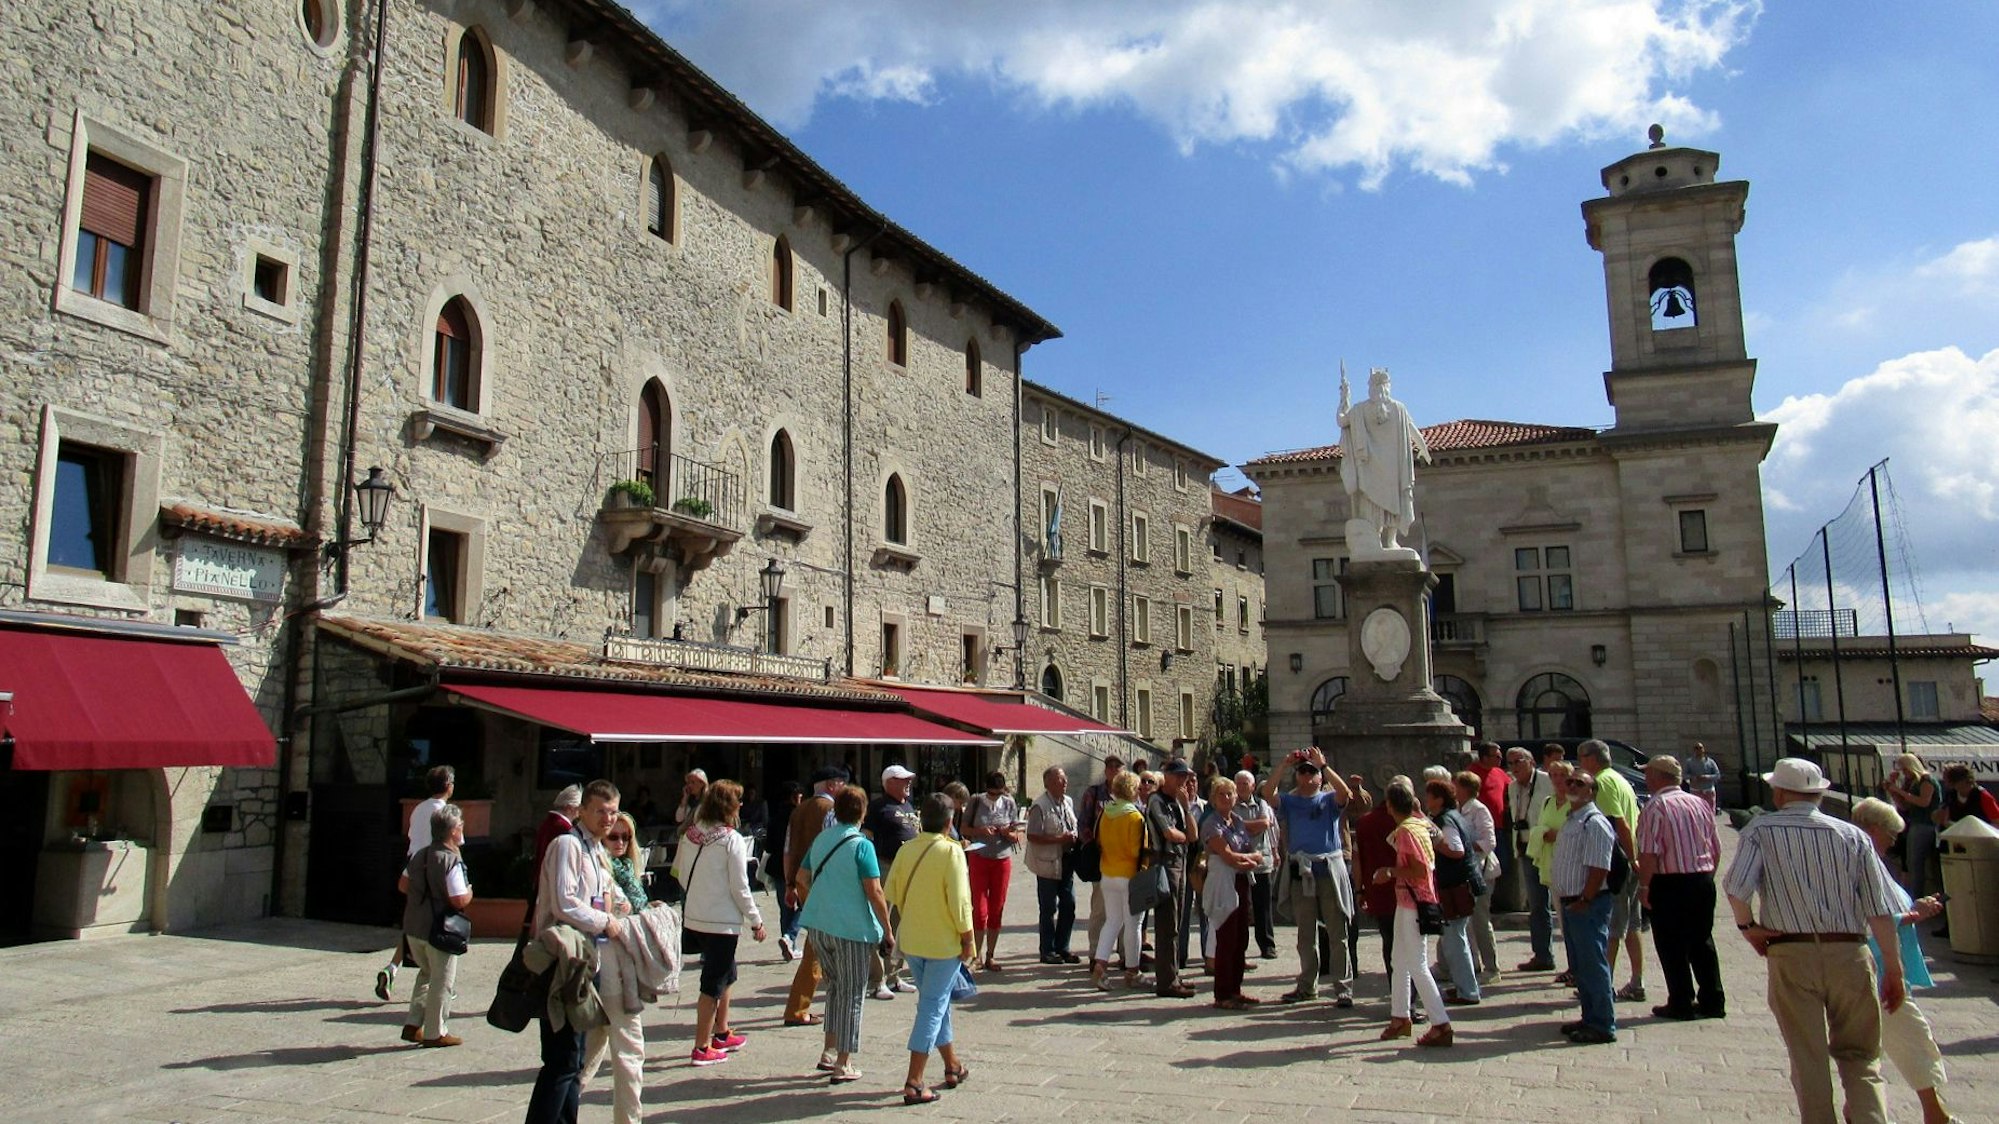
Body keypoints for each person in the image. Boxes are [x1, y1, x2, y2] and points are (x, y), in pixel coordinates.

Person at [1724, 758, 1906, 1124]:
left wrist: (1749, 928)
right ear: (1820, 793)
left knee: (1808, 1058)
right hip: (1849, 950)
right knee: (1861, 1058)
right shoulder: (1852, 835)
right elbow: (1881, 908)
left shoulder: (1761, 830)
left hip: (1792, 950)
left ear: (1778, 792)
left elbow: (1735, 888)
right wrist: (1893, 968)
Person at [1852, 797, 1959, 1124]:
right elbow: (1866, 919)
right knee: (1914, 1042)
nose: (1894, 840)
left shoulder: (1873, 861)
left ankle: (1868, 1114)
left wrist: (1916, 909)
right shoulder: (1860, 862)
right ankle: (1935, 1115)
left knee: (1876, 1051)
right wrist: (1913, 916)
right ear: (1873, 829)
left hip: (1887, 968)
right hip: (1881, 971)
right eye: (1890, 833)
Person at [526, 780, 623, 1124]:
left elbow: (605, 896)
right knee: (562, 1058)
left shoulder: (596, 850)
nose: (608, 818)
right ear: (582, 810)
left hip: (585, 960)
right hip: (562, 960)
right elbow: (566, 903)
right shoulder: (568, 845)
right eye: (600, 811)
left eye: (612, 811)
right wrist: (604, 921)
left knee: (574, 1057)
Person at [884, 794, 975, 1106]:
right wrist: (968, 939)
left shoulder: (906, 849)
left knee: (935, 1003)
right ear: (950, 823)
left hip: (913, 939)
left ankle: (952, 1065)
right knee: (933, 1006)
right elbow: (961, 903)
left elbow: (891, 892)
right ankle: (914, 1080)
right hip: (942, 941)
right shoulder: (951, 852)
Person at [798, 784, 892, 1085]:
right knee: (852, 993)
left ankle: (828, 1050)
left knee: (835, 988)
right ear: (863, 812)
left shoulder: (823, 839)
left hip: (819, 926)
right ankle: (843, 1061)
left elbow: (801, 878)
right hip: (851, 929)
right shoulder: (861, 844)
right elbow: (874, 890)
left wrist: (817, 898)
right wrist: (887, 929)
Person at [674, 779, 766, 1067]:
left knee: (728, 974)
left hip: (696, 916)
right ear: (728, 806)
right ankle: (701, 1047)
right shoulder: (731, 839)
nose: (741, 805)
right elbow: (740, 886)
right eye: (737, 801)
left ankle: (722, 1031)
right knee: (712, 984)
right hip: (721, 922)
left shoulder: (690, 835)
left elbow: (678, 872)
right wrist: (755, 919)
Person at [1635, 755, 1726, 1020]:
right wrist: (1707, 876)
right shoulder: (1699, 803)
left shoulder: (1655, 806)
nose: (1646, 779)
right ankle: (1713, 999)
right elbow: (1715, 846)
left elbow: (1650, 852)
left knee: (1670, 944)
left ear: (1656, 776)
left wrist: (1644, 886)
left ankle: (1681, 1000)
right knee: (1702, 941)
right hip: (1701, 878)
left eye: (1648, 774)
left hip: (1669, 882)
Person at [1261, 747, 1354, 1005]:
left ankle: (1343, 987)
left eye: (1311, 771)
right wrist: (1284, 764)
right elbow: (1268, 793)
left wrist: (1324, 766)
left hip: (1328, 870)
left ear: (1319, 777)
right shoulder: (1290, 801)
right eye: (1302, 771)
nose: (1306, 775)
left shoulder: (1328, 799)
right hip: (1302, 872)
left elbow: (1346, 794)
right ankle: (1307, 985)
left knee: (1337, 933)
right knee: (1305, 935)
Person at [1369, 782, 1451, 1046]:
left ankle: (1440, 1023)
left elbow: (1418, 869)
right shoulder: (1418, 823)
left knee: (1417, 964)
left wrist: (1389, 872)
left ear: (1391, 806)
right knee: (1400, 960)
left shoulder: (1406, 830)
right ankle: (1400, 1017)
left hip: (1414, 901)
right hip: (1411, 901)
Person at [1336, 365, 1432, 558]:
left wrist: (1423, 448)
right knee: (1373, 503)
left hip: (1391, 468)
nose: (1378, 388)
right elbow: (1342, 421)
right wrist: (1344, 397)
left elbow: (1411, 429)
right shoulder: (1361, 409)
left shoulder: (1397, 408)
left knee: (1389, 502)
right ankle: (1380, 541)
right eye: (1375, 384)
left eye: (1381, 384)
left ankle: (1390, 540)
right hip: (1371, 467)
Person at [377, 765, 455, 1002]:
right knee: (439, 926)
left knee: (414, 924)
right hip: (435, 869)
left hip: (412, 867)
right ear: (449, 785)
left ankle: (392, 968)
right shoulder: (447, 812)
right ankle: (441, 981)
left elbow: (412, 838)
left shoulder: (418, 809)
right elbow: (453, 842)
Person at [1552, 770, 1619, 1044]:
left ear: (1592, 791)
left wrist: (1586, 899)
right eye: (1570, 781)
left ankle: (1602, 1024)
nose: (1573, 786)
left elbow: (1599, 866)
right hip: (1571, 903)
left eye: (1580, 783)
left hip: (1586, 904)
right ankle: (1589, 1016)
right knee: (1580, 966)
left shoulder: (1594, 822)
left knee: (1593, 964)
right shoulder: (1572, 819)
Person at [398, 801, 471, 1047]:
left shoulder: (421, 854)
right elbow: (459, 898)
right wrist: (470, 892)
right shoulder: (450, 860)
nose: (463, 829)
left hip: (414, 927)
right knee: (442, 980)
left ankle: (413, 1022)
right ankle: (435, 1031)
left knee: (426, 974)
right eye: (461, 825)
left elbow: (403, 885)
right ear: (453, 831)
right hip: (440, 930)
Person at [1578, 740, 1646, 1003]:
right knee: (1631, 925)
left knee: (1611, 927)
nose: (1579, 763)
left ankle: (1602, 984)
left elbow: (1618, 824)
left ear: (1592, 759)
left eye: (1581, 757)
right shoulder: (1618, 777)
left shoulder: (1602, 782)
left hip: (1616, 864)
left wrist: (1630, 858)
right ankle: (1637, 980)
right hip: (1629, 861)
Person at [782, 768, 847, 1027]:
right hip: (823, 883)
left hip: (802, 880)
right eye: (843, 783)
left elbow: (788, 850)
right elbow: (835, 845)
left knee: (819, 943)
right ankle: (798, 1008)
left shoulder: (799, 809)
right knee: (817, 947)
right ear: (832, 785)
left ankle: (804, 1004)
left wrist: (789, 884)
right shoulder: (831, 811)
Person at [1200, 777, 1262, 1009]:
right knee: (1225, 938)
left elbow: (1253, 852)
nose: (1227, 798)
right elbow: (1227, 855)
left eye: (1230, 794)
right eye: (1222, 794)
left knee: (1240, 938)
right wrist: (1248, 860)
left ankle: (1235, 988)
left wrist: (1248, 860)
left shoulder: (1236, 821)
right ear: (1214, 799)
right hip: (1223, 882)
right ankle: (1223, 993)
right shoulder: (1212, 823)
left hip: (1240, 881)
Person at [864, 765, 921, 998]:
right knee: (881, 923)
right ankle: (876, 980)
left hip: (906, 870)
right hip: (885, 866)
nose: (908, 783)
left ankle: (894, 975)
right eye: (903, 779)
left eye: (909, 779)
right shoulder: (878, 807)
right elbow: (866, 838)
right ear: (889, 783)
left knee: (900, 925)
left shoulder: (907, 805)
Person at [1424, 779, 1483, 1005]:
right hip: (1457, 885)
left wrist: (1436, 844)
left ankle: (1467, 991)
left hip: (1456, 887)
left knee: (1455, 942)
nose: (1427, 799)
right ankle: (1464, 987)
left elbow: (1456, 851)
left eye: (1429, 796)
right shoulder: (1453, 815)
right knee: (1455, 940)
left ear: (1439, 799)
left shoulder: (1446, 820)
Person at [1090, 771, 1147, 990]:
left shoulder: (1106, 813)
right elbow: (1137, 851)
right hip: (1129, 875)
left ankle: (1100, 966)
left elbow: (1100, 842)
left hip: (1108, 873)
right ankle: (1133, 971)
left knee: (1112, 921)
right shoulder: (1134, 816)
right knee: (1134, 924)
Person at [1147, 761, 1198, 998]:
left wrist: (1187, 808)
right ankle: (1166, 980)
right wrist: (1184, 836)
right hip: (1165, 862)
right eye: (1178, 776)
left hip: (1180, 861)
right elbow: (1169, 833)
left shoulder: (1178, 803)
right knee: (1167, 922)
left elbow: (1193, 835)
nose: (1182, 782)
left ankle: (1174, 974)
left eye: (1185, 777)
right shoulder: (1156, 801)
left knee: (1177, 921)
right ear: (1166, 776)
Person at [962, 771, 1024, 970]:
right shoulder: (976, 801)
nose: (995, 797)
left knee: (997, 907)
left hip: (1002, 859)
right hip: (979, 857)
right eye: (991, 793)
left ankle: (990, 955)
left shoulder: (1009, 803)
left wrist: (1009, 833)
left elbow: (1017, 834)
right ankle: (976, 955)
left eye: (998, 793)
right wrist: (980, 831)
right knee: (979, 910)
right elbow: (964, 828)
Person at [1505, 747, 1558, 971]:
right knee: (1537, 905)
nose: (1515, 767)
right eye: (1511, 763)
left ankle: (1575, 963)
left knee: (1562, 905)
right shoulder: (1512, 786)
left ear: (1531, 761)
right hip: (1527, 849)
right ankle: (1543, 955)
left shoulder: (1548, 781)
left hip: (1550, 848)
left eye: (1519, 761)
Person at [1024, 765, 1081, 965]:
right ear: (1048, 783)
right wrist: (1059, 838)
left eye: (1065, 779)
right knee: (1048, 908)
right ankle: (1047, 950)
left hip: (1066, 861)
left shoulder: (1068, 801)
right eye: (1059, 779)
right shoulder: (1040, 805)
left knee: (1069, 904)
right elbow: (1032, 835)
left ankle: (1062, 947)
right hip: (1047, 863)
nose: (1064, 782)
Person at [1452, 770, 1500, 983]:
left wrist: (1462, 846)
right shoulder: (1458, 809)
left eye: (1456, 785)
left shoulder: (1479, 810)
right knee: (1468, 921)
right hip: (1464, 871)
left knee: (1481, 920)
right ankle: (1474, 964)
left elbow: (1489, 842)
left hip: (1481, 871)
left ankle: (1492, 968)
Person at [1531, 760, 1575, 984]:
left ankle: (1577, 966)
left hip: (1572, 867)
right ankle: (1572, 964)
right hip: (1551, 866)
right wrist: (1543, 833)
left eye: (1561, 775)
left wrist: (1556, 834)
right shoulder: (1548, 801)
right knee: (1562, 919)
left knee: (1573, 921)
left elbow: (1575, 829)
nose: (1557, 779)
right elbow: (1540, 826)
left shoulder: (1575, 802)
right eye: (1553, 775)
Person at [1076, 755, 1125, 958]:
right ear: (1105, 771)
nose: (1114, 770)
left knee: (1126, 909)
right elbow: (1083, 823)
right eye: (1110, 767)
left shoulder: (1129, 793)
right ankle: (1095, 953)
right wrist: (1093, 845)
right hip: (1102, 859)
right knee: (1100, 909)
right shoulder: (1094, 793)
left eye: (1117, 767)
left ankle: (1126, 953)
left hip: (1125, 860)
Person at [1233, 770, 1279, 960]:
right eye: (1240, 783)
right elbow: (1231, 826)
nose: (1243, 786)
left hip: (1261, 861)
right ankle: (1239, 947)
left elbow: (1266, 825)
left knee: (1263, 906)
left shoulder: (1262, 804)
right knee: (1240, 906)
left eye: (1246, 783)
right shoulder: (1230, 804)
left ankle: (1267, 945)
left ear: (1253, 786)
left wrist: (1242, 825)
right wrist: (1253, 825)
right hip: (1239, 862)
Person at [1882, 754, 1941, 898]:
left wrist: (1900, 791)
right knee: (1912, 863)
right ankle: (1914, 895)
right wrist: (1892, 790)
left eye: (1905, 770)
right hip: (1915, 823)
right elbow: (1905, 806)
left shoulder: (1926, 781)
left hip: (1925, 824)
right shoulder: (1913, 783)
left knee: (1916, 863)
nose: (1904, 773)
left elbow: (1924, 802)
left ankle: (1916, 896)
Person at [768, 782, 806, 959]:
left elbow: (768, 845)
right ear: (794, 796)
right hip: (795, 865)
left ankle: (788, 942)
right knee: (805, 904)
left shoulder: (775, 816)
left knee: (786, 906)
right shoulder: (798, 815)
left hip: (776, 866)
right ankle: (790, 937)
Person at [1685, 742, 1722, 814]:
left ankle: (1710, 825)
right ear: (1694, 750)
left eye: (1700, 748)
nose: (1699, 750)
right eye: (1696, 748)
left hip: (1708, 790)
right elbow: (1684, 775)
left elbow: (1717, 775)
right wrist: (1693, 777)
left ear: (1703, 749)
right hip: (1695, 790)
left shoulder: (1710, 762)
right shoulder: (1689, 762)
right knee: (1696, 811)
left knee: (1710, 811)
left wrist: (1707, 777)